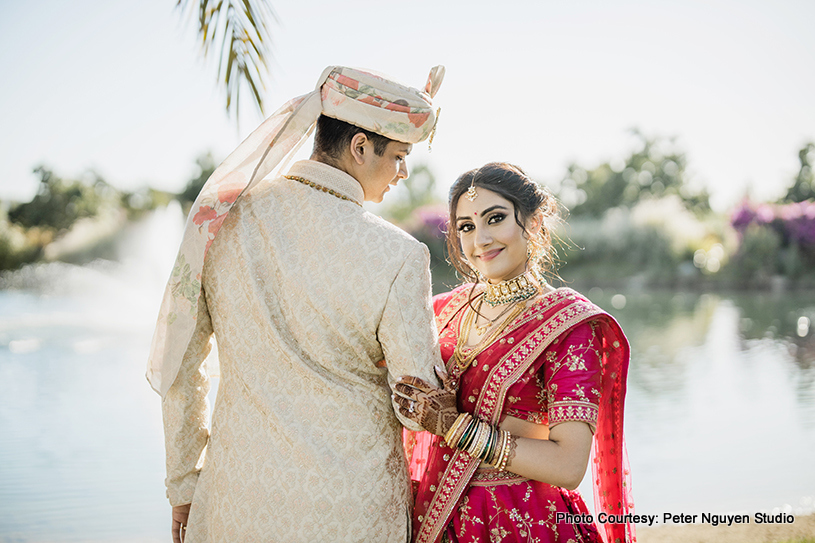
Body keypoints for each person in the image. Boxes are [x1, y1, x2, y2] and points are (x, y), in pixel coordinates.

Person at [147, 65, 446, 542]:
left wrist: (184, 482)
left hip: (238, 498)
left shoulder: (221, 219)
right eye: (400, 156)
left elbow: (181, 360)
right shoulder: (399, 255)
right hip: (351, 509)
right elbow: (417, 404)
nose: (403, 172)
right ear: (360, 147)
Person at [393, 162, 635, 543]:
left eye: (496, 219)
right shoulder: (441, 310)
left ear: (535, 223)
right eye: (467, 227)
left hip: (521, 519)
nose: (481, 240)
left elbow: (569, 464)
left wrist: (454, 427)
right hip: (436, 515)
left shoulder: (569, 326)